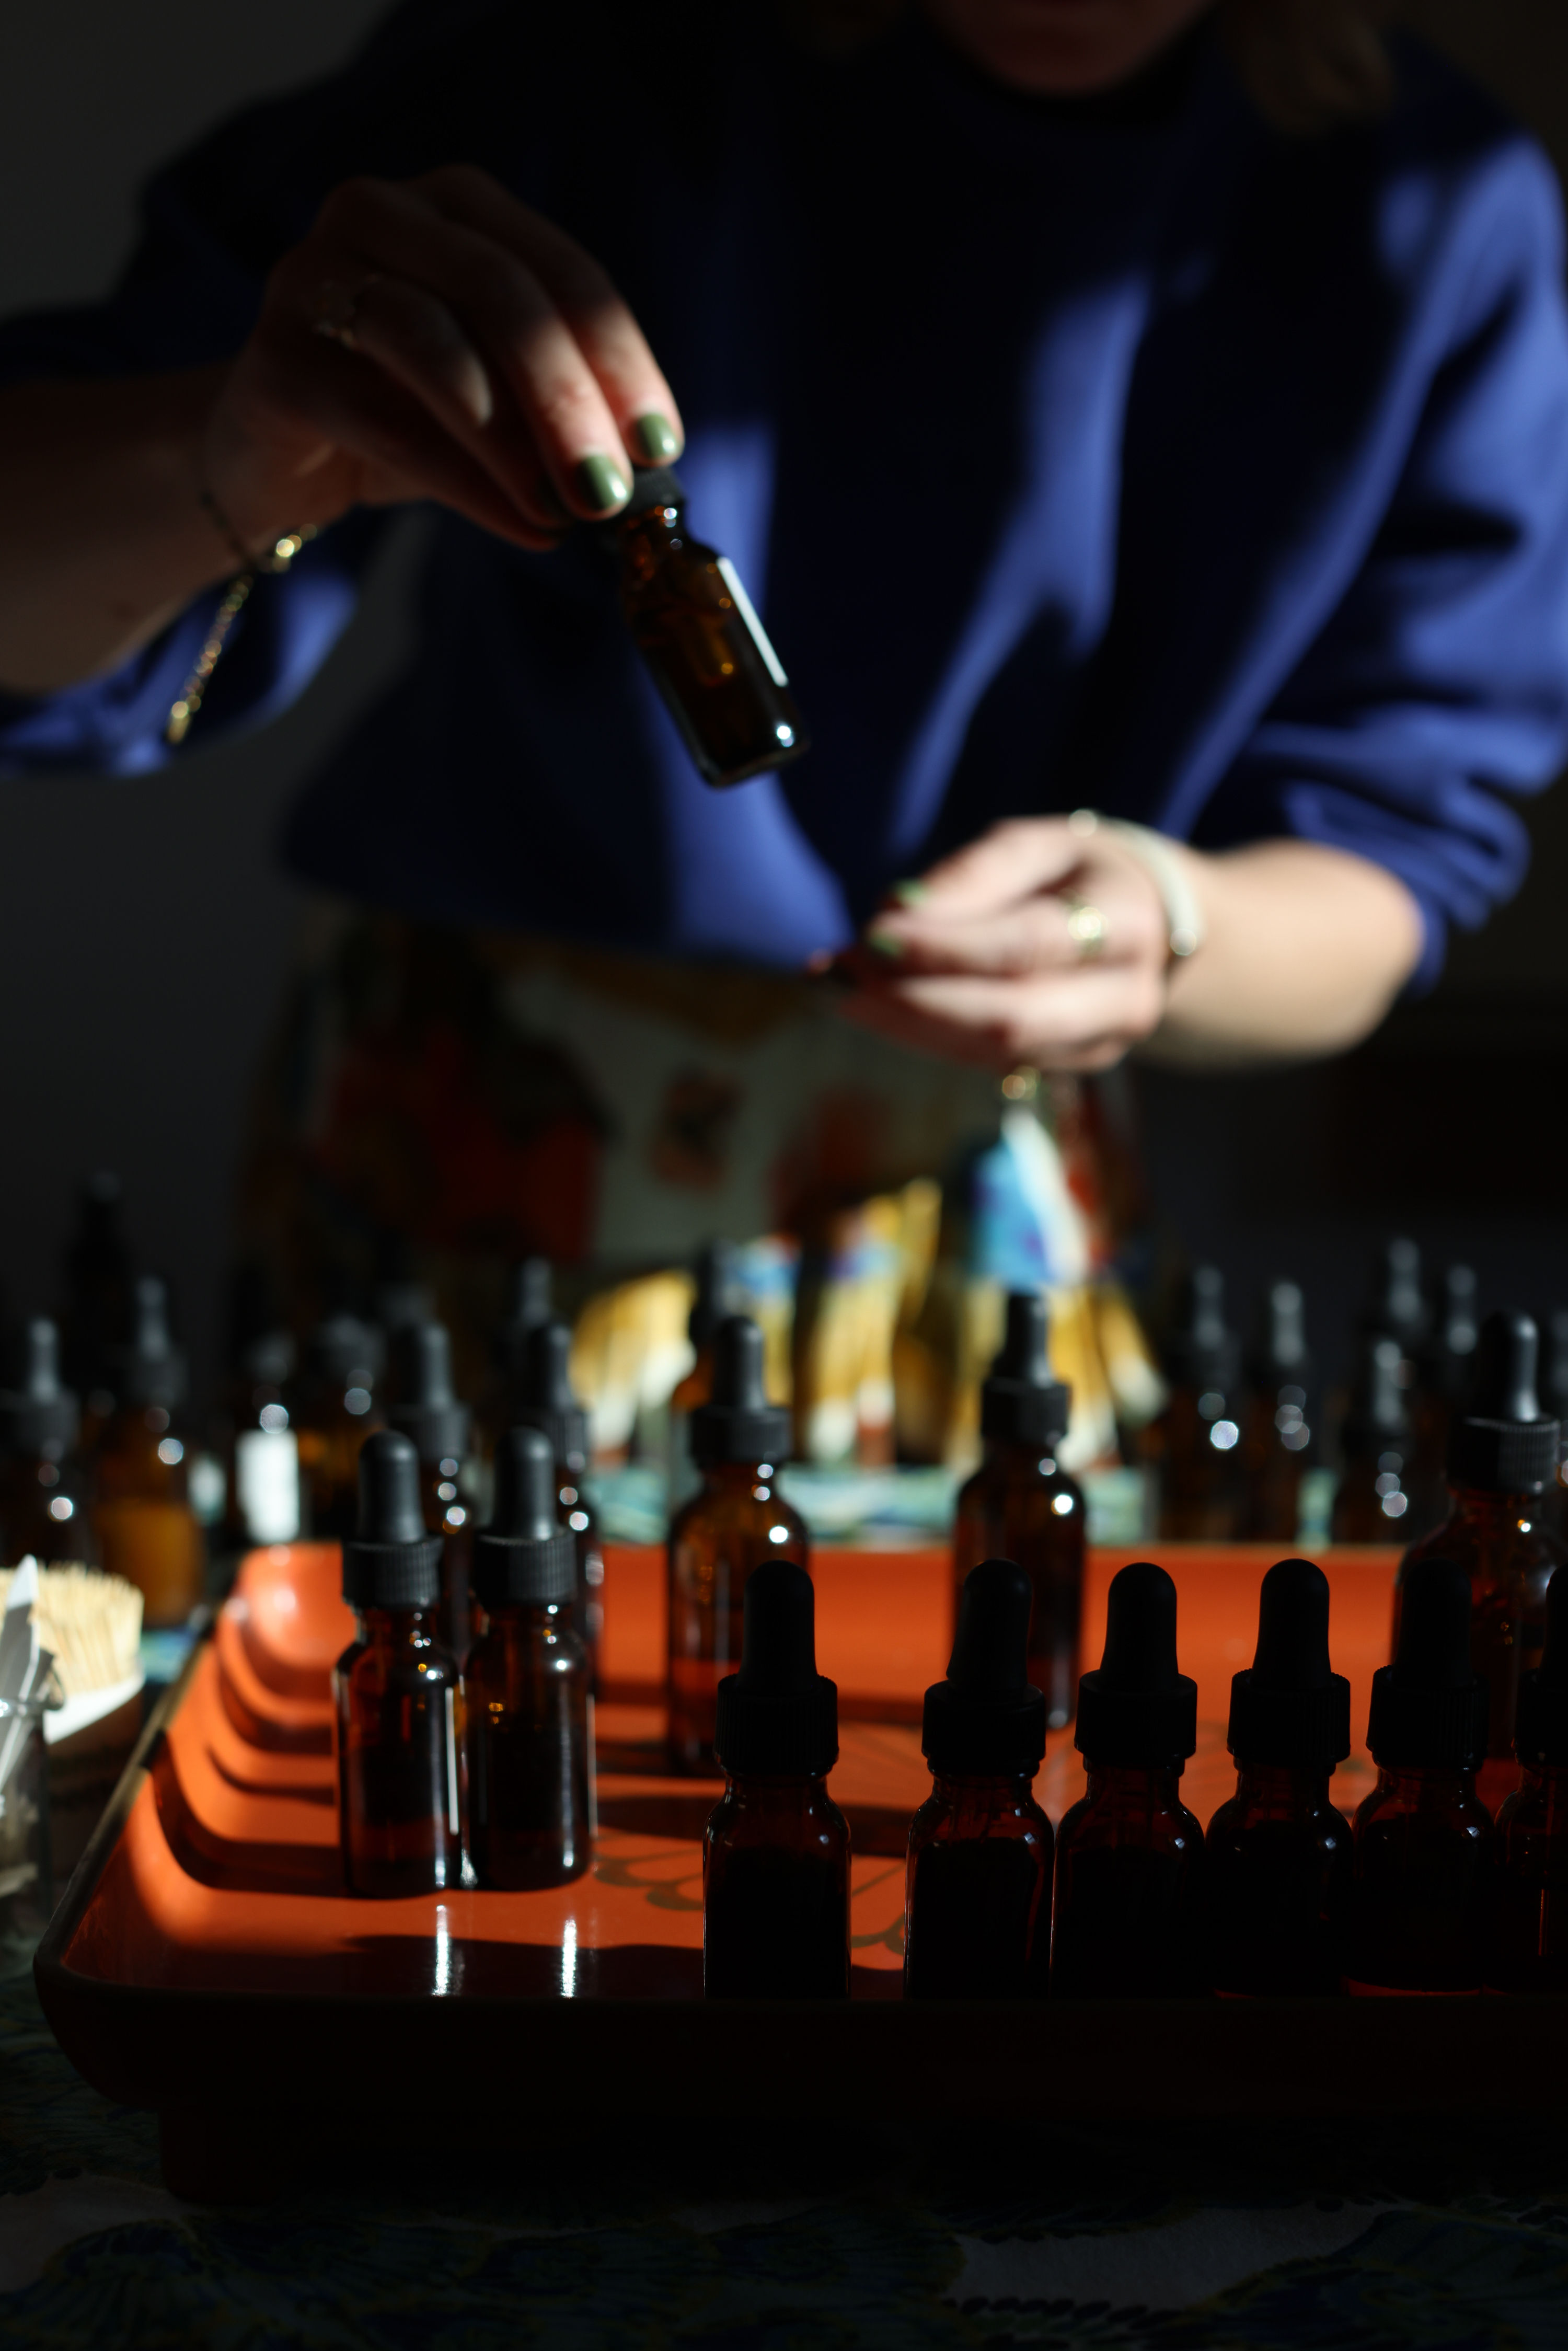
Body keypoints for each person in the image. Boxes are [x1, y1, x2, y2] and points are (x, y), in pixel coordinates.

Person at [0, 0, 1564, 1462]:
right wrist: (229, 453)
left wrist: (1166, 919)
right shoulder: (564, 62)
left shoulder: (1436, 210)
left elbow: (1392, 855)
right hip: (475, 1168)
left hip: (979, 1212)